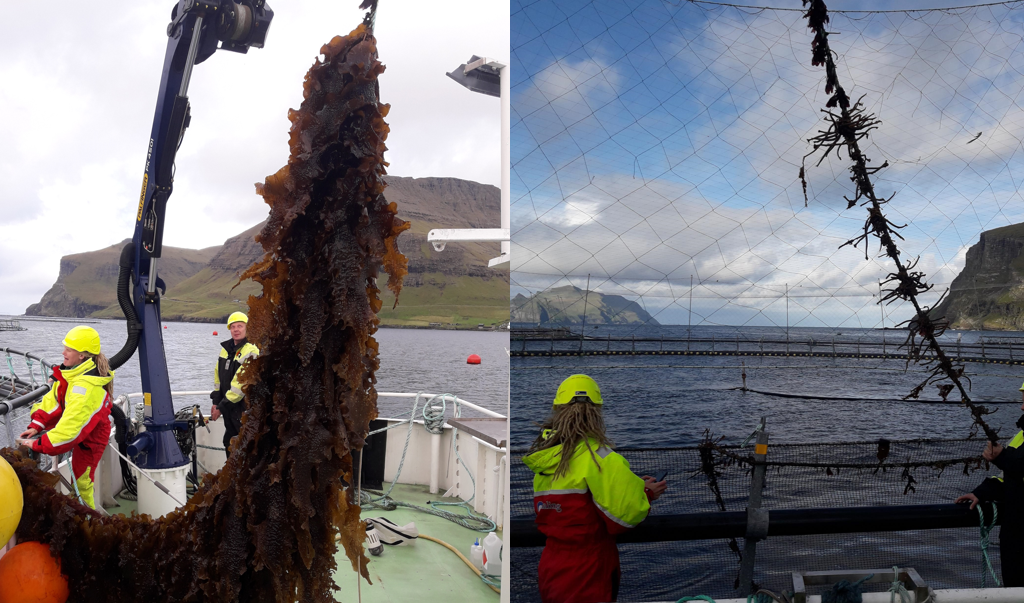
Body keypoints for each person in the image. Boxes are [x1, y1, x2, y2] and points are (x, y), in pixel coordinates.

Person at [523, 374, 668, 603]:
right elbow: (624, 516)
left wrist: (630, 485)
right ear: (596, 413)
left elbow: (573, 499)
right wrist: (646, 493)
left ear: (558, 410)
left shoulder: (546, 460)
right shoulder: (601, 457)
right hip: (589, 569)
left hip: (551, 564)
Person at [17, 326, 113, 510]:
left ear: (82, 355)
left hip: (91, 440)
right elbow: (53, 400)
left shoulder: (86, 389)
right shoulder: (70, 374)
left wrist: (38, 444)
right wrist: (37, 425)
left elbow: (69, 430)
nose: (63, 352)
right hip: (82, 431)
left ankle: (88, 523)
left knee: (82, 482)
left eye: (68, 349)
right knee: (78, 480)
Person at [955, 381, 1024, 587]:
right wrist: (982, 493)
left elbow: (1016, 466)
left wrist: (1003, 457)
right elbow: (1010, 477)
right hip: (1016, 538)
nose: (1022, 407)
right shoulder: (1021, 436)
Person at [209, 311, 259, 456]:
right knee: (229, 442)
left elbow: (240, 386)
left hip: (243, 407)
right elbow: (218, 377)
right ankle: (231, 477)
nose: (236, 330)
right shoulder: (225, 351)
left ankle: (242, 478)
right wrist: (216, 402)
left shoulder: (251, 351)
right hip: (228, 407)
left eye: (240, 326)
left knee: (243, 444)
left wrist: (220, 407)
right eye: (233, 327)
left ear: (247, 328)